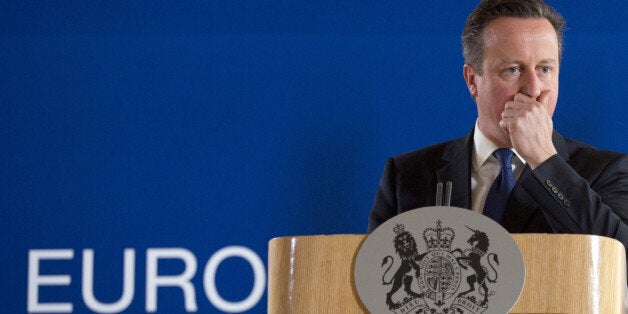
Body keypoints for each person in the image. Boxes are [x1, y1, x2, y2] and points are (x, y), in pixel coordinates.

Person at [367, 0, 628, 253]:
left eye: (545, 69)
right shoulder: (407, 175)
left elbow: (618, 261)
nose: (533, 88)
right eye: (513, 70)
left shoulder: (605, 172)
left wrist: (543, 158)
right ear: (472, 80)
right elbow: (378, 280)